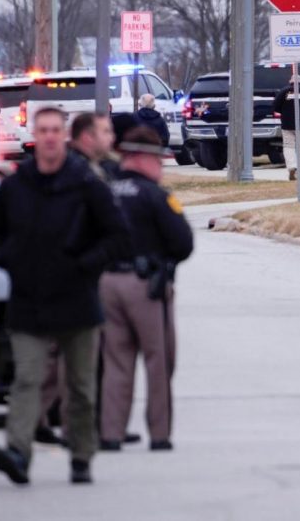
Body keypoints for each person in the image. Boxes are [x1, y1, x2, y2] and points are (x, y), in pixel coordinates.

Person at [0, 107, 129, 486]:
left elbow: (117, 235)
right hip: (29, 299)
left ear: (64, 135)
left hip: (78, 299)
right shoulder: (18, 185)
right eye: (43, 130)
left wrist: (88, 263)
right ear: (35, 134)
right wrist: (10, 260)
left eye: (56, 130)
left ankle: (81, 456)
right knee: (26, 380)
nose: (50, 136)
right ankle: (18, 451)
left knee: (81, 387)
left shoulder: (86, 183)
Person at [100, 127, 194, 452]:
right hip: (146, 287)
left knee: (115, 361)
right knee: (159, 360)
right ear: (142, 158)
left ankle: (110, 432)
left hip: (107, 284)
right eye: (158, 160)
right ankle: (159, 433)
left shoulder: (106, 191)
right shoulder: (155, 195)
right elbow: (183, 243)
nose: (161, 167)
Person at [272, 75, 300, 181]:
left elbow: (276, 107)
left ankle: (292, 166)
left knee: (288, 146)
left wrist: (285, 110)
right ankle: (298, 170)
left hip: (287, 124)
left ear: (290, 82)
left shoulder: (284, 92)